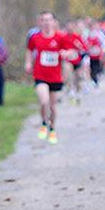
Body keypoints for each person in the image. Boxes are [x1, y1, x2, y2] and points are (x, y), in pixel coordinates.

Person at [25, 11, 76, 145]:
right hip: (40, 74)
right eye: (44, 20)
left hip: (55, 76)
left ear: (54, 22)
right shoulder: (35, 37)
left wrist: (66, 53)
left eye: (49, 20)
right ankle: (43, 122)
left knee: (52, 106)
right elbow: (29, 50)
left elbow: (72, 51)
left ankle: (52, 129)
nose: (47, 23)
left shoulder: (61, 37)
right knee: (44, 101)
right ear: (40, 22)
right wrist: (28, 62)